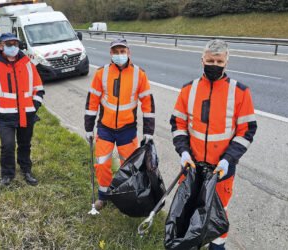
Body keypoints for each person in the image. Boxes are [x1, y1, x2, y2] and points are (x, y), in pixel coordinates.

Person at [170, 39, 257, 249]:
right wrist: (183, 152)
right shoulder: (188, 90)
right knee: (189, 207)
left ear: (227, 61)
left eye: (219, 61)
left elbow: (247, 130)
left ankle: (217, 246)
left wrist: (228, 160)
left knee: (218, 211)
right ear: (202, 60)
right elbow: (178, 123)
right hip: (192, 165)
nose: (214, 65)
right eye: (210, 60)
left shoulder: (240, 92)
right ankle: (189, 243)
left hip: (221, 169)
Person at [84, 38, 155, 210]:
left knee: (129, 167)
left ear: (128, 52)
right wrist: (88, 127)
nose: (119, 55)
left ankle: (125, 196)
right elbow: (92, 100)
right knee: (102, 164)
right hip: (105, 128)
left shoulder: (139, 74)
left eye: (122, 51)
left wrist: (149, 131)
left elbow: (148, 103)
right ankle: (103, 196)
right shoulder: (102, 73)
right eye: (115, 52)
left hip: (127, 130)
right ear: (111, 54)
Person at [0, 33, 45, 186]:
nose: (13, 47)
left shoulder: (28, 64)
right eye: (9, 44)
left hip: (27, 115)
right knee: (7, 146)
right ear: (1, 46)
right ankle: (7, 175)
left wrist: (34, 107)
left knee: (25, 145)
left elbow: (39, 88)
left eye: (15, 43)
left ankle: (26, 170)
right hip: (5, 117)